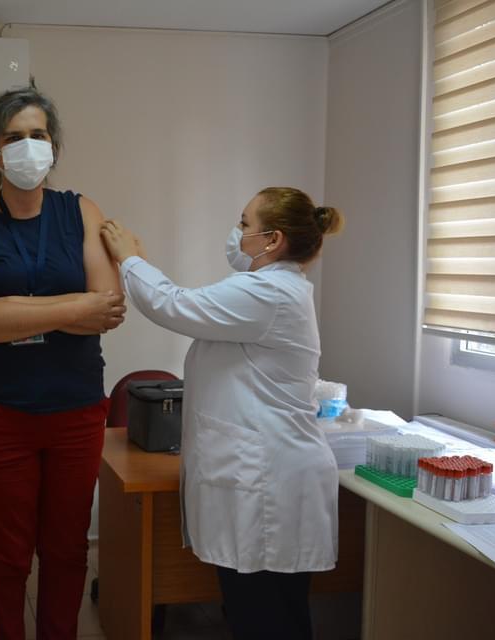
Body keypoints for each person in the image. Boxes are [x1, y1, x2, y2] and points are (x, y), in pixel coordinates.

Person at [100, 187, 344, 640]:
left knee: (265, 620)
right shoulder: (275, 290)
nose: (237, 232)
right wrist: (139, 267)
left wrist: (128, 259)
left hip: (268, 484)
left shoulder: (267, 292)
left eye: (245, 224)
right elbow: (189, 307)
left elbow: (174, 304)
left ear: (272, 240)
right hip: (271, 477)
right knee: (275, 616)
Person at [0, 86, 125, 640]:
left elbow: (108, 307)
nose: (27, 146)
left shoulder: (81, 210)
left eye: (38, 135)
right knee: (6, 553)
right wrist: (73, 307)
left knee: (67, 550)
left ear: (54, 146)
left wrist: (12, 311)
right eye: (13, 137)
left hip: (77, 410)